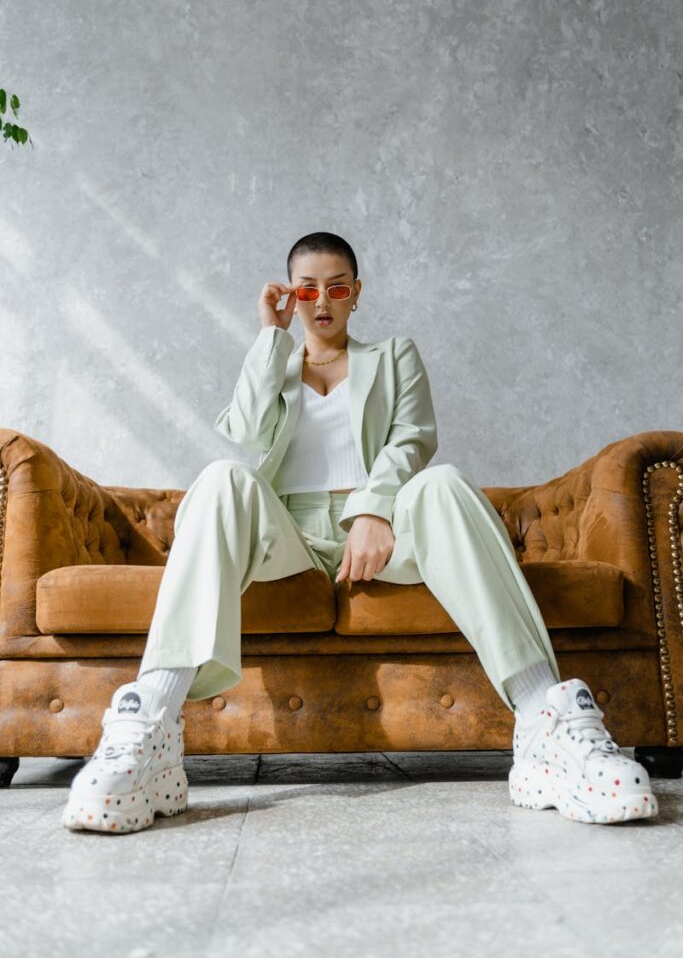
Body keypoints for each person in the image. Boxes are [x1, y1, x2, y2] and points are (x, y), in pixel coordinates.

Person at [62, 231, 658, 833]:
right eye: (307, 287)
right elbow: (243, 429)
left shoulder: (394, 355)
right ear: (292, 294)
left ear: (356, 294)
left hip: (382, 532)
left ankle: (546, 728)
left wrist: (371, 511)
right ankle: (150, 735)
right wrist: (271, 335)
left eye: (337, 286)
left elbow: (411, 439)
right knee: (221, 479)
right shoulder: (279, 363)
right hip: (285, 536)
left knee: (443, 481)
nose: (322, 299)